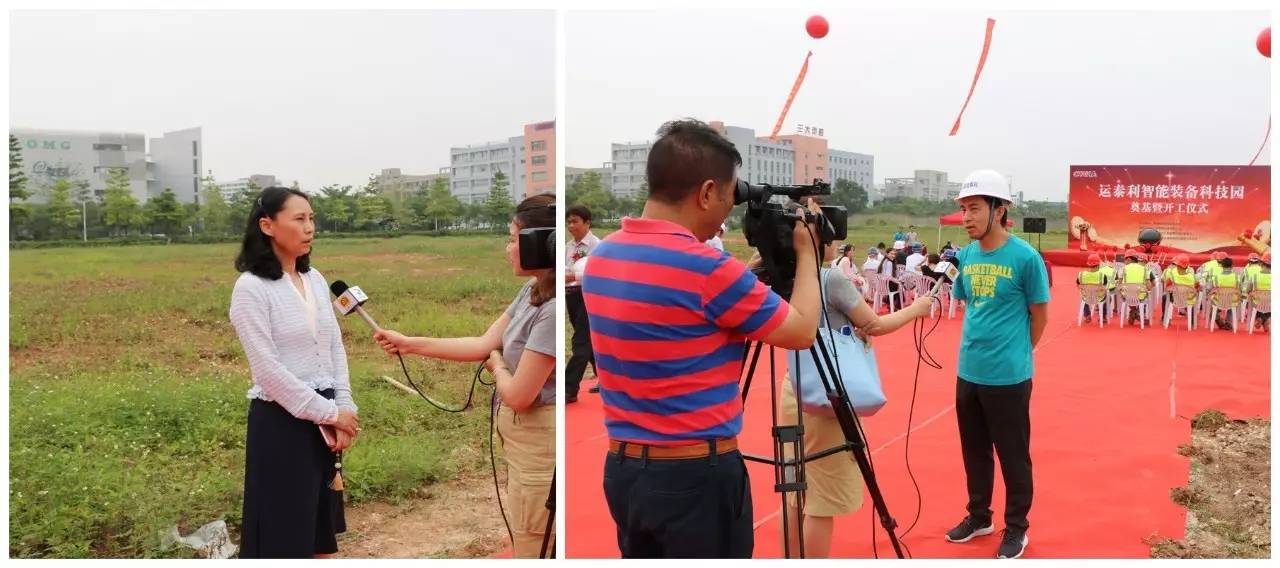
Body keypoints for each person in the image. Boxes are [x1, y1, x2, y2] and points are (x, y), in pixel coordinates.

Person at [580, 119, 825, 558]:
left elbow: (675, 312)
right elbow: (802, 331)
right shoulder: (709, 270)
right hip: (695, 474)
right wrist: (807, 254)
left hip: (624, 470)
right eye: (729, 199)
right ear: (707, 192)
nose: (726, 212)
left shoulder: (602, 258)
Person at [372, 194, 557, 558]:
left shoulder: (551, 310)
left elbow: (519, 394)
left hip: (539, 442)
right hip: (522, 442)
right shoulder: (531, 292)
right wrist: (409, 343)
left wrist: (499, 367)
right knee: (529, 531)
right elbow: (483, 342)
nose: (507, 248)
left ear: (539, 242)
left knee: (537, 542)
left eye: (512, 238)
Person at [780, 240, 936, 558]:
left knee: (796, 491)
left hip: (793, 385)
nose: (836, 241)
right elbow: (874, 324)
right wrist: (917, 309)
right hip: (827, 393)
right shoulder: (828, 277)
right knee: (821, 501)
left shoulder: (780, 274)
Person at [229, 186, 358, 558]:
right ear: (267, 225)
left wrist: (344, 409)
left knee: (320, 534)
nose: (309, 227)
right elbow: (267, 370)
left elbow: (334, 347)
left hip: (326, 421)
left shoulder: (315, 279)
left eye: (312, 218)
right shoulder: (251, 288)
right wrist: (330, 414)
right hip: (282, 426)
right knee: (284, 537)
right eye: (299, 219)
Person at [945, 170, 1049, 560]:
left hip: (1008, 376)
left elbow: (1039, 315)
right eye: (964, 209)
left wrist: (1020, 354)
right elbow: (971, 305)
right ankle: (979, 516)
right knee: (974, 450)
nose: (967, 217)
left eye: (975, 209)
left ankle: (1017, 528)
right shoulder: (967, 255)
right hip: (968, 371)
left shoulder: (1025, 258)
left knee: (1012, 454)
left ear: (999, 209)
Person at [565, 204, 602, 403]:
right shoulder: (567, 247)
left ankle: (568, 388)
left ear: (587, 223)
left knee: (580, 342)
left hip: (589, 294)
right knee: (588, 340)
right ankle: (607, 381)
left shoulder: (597, 246)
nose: (571, 226)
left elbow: (599, 272)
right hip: (570, 294)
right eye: (568, 222)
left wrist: (574, 275)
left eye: (575, 221)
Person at [1121, 249, 1155, 325]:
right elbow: (1150, 286)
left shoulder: (1123, 269)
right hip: (1140, 295)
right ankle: (1136, 312)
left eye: (1125, 259)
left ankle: (1134, 311)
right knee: (1144, 297)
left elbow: (1118, 284)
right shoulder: (1146, 270)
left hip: (1127, 296)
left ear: (1129, 259)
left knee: (1123, 293)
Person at [1163, 254, 1199, 323]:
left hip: (1175, 299)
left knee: (1165, 297)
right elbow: (1197, 287)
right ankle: (1192, 321)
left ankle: (1164, 319)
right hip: (1189, 300)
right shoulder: (1193, 276)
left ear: (1178, 265)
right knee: (1194, 299)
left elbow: (1167, 287)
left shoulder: (1172, 274)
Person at [1075, 253, 1109, 323]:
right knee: (1107, 296)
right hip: (1099, 298)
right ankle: (1103, 317)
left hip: (1086, 297)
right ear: (1099, 265)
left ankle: (1087, 315)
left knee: (1083, 296)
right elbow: (1104, 287)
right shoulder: (1102, 276)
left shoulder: (1081, 275)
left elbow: (1078, 285)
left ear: (1088, 264)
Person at [1209, 257, 1240, 331]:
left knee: (1212, 305)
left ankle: (1218, 320)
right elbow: (1240, 289)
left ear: (1221, 266)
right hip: (1232, 301)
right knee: (1235, 302)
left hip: (1218, 301)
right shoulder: (1236, 277)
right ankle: (1228, 322)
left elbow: (1212, 289)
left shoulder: (1216, 277)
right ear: (1232, 266)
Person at [1244, 252, 1271, 331]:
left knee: (1249, 301)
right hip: (1271, 303)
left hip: (1257, 302)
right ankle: (1266, 318)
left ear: (1261, 264)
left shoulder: (1254, 276)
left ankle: (1259, 317)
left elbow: (1248, 290)